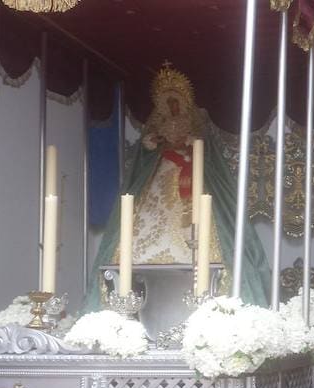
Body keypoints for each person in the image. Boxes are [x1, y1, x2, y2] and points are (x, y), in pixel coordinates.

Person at [86, 63, 270, 308]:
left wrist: (192, 144)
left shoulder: (195, 121)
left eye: (176, 101)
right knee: (140, 222)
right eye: (167, 102)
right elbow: (148, 148)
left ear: (184, 102)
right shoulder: (159, 123)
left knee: (202, 217)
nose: (172, 106)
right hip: (160, 175)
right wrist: (151, 144)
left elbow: (207, 150)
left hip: (191, 174)